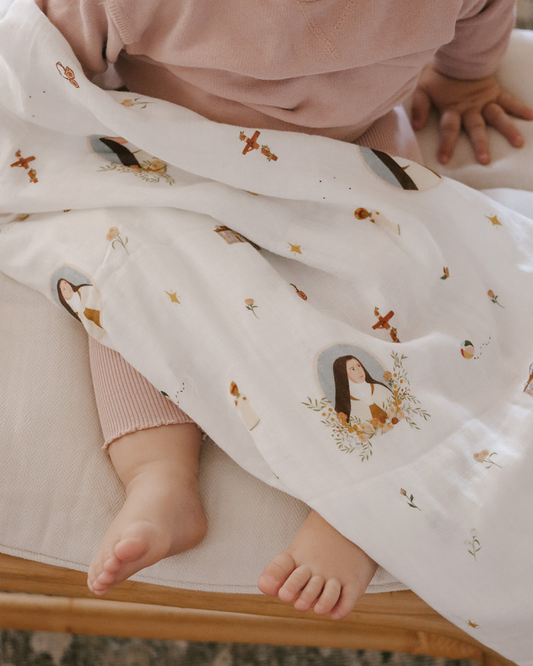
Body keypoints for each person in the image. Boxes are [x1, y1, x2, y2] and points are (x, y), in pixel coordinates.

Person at [34, 0, 533, 620]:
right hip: (293, 152)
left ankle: (172, 476)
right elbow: (484, 15)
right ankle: (174, 480)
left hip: (236, 156)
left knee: (126, 274)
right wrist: (466, 80)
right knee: (413, 290)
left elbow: (44, 58)